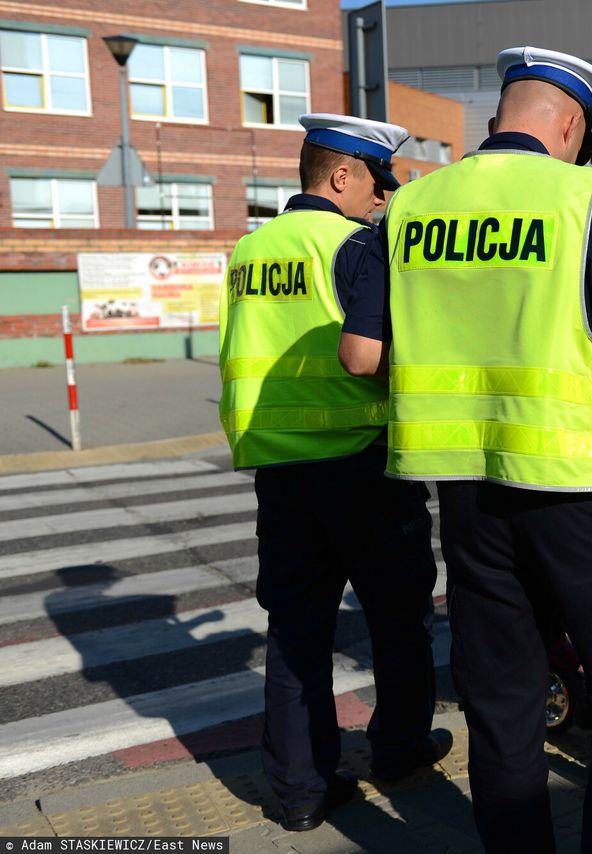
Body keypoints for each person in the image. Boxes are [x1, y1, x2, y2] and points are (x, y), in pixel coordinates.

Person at [345, 47, 592, 853]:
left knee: (502, 707)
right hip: (576, 490)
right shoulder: (579, 195)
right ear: (570, 125)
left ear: (497, 118)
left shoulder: (414, 205)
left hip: (466, 496)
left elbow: (364, 355)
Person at [218, 113, 450, 833]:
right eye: (378, 183)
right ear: (342, 176)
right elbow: (378, 349)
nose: (383, 199)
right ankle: (400, 750)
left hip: (279, 468)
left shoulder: (249, 249)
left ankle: (297, 792)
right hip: (360, 460)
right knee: (398, 619)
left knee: (295, 631)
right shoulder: (355, 245)